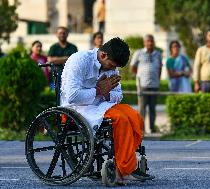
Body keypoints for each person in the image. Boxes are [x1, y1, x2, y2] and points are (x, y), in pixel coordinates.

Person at [60, 37, 154, 183]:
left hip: (101, 105)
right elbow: (72, 96)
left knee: (135, 117)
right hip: (77, 108)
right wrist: (98, 90)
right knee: (121, 119)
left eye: (115, 67)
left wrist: (106, 92)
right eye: (111, 65)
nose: (112, 69)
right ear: (103, 55)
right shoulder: (79, 60)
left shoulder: (112, 65)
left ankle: (126, 162)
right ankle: (124, 168)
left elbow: (119, 95)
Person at [130, 34, 162, 133]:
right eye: (148, 41)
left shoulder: (158, 54)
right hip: (142, 85)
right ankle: (141, 129)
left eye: (151, 41)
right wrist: (140, 75)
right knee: (142, 109)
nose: (150, 43)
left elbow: (160, 68)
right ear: (144, 42)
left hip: (154, 85)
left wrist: (157, 78)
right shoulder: (139, 53)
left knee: (152, 108)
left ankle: (152, 128)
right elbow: (133, 67)